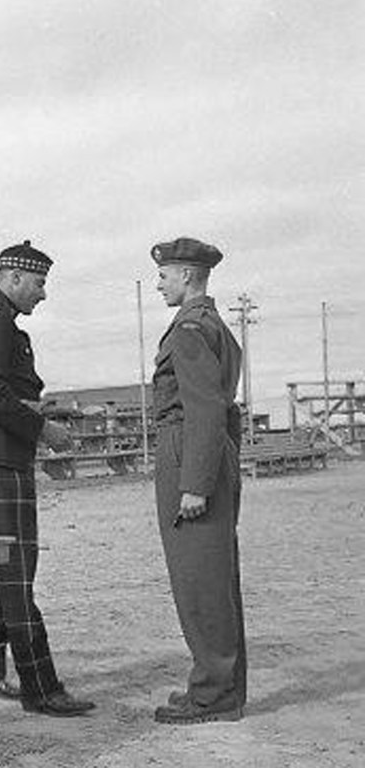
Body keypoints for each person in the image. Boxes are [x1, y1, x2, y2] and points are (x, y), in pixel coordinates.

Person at [0, 240, 96, 717]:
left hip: (0, 452)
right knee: (16, 575)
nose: (43, 293)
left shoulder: (0, 321)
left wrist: (35, 413)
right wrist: (43, 428)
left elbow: (2, 392)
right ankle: (41, 688)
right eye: (38, 283)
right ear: (12, 278)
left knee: (0, 571)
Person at [150, 236, 246, 724]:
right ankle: (222, 687)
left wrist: (196, 483)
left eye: (164, 275)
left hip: (188, 449)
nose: (159, 284)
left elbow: (205, 408)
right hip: (208, 451)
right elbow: (224, 411)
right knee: (215, 576)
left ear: (187, 275)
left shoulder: (189, 329)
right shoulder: (215, 326)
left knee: (198, 579)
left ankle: (212, 694)